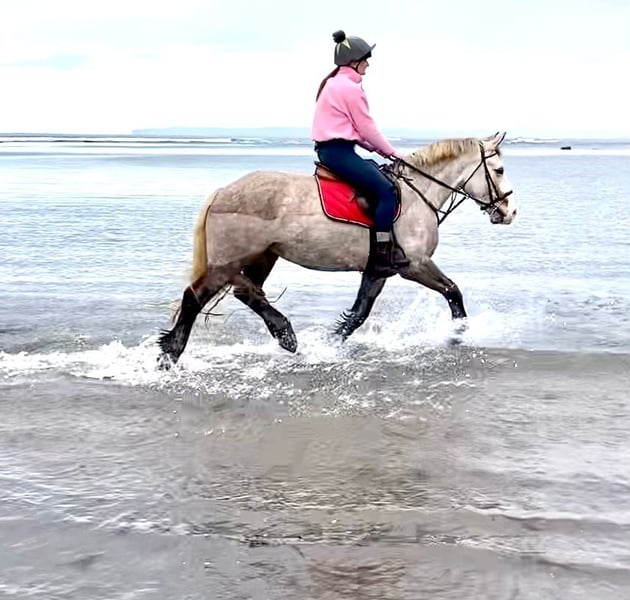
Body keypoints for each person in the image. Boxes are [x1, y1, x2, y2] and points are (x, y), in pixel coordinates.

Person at [312, 29, 409, 276]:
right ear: (354, 61)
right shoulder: (349, 88)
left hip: (335, 149)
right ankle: (381, 257)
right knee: (387, 191)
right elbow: (367, 128)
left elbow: (354, 131)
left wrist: (378, 150)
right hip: (338, 152)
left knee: (377, 174)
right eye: (366, 59)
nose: (368, 64)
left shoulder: (333, 83)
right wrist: (393, 152)